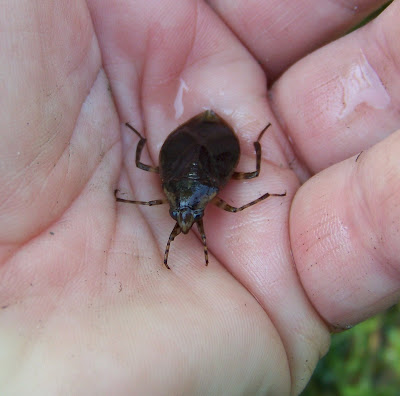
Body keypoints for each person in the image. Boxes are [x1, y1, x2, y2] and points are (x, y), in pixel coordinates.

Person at [1, 0, 399, 394]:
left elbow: (196, 193)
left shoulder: (180, 197)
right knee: (239, 180)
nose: (184, 219)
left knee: (241, 182)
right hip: (201, 150)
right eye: (183, 214)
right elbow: (166, 197)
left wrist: (148, 159)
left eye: (185, 215)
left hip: (190, 149)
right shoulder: (182, 199)